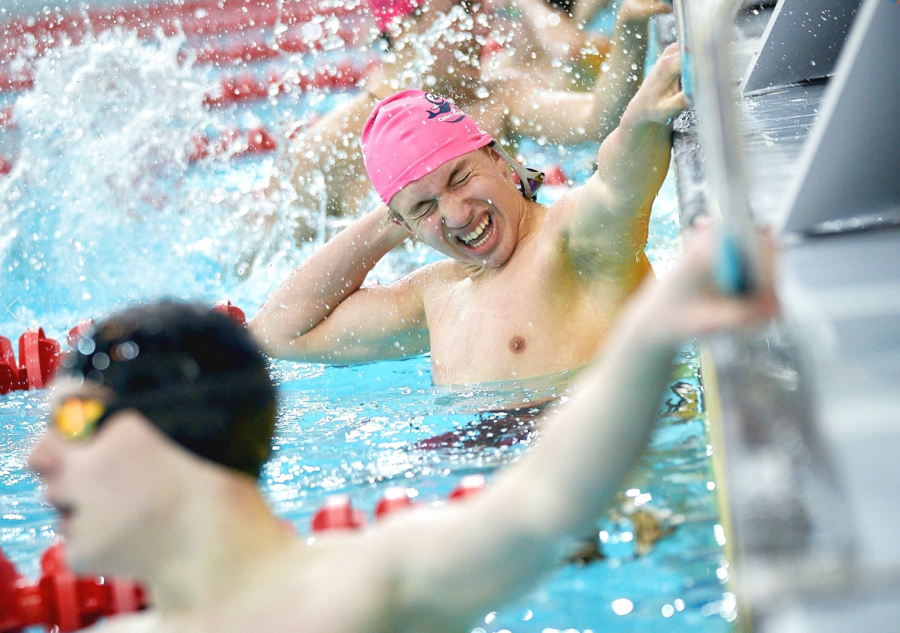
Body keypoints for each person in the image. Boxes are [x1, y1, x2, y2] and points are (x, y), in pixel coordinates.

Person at [28, 224, 777, 633]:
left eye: (73, 420)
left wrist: (653, 329)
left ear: (180, 430)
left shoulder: (368, 588)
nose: (38, 457)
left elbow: (545, 500)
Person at [252, 43, 687, 385]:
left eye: (460, 178)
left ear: (498, 160)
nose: (457, 215)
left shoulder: (571, 239)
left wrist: (642, 116)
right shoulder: (433, 297)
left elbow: (616, 180)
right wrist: (393, 216)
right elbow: (276, 333)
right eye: (425, 207)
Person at [273, 0, 671, 232]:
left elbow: (597, 120)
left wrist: (631, 27)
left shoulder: (498, 97)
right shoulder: (326, 148)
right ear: (407, 26)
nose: (483, 27)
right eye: (463, 9)